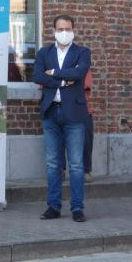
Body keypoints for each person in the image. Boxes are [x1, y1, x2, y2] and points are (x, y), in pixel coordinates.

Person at [33, 15, 91, 223]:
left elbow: (80, 73)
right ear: (54, 31)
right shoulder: (44, 52)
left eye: (67, 28)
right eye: (60, 29)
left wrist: (55, 73)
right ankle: (53, 206)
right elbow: (38, 76)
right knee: (52, 164)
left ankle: (77, 208)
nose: (64, 32)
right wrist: (63, 80)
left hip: (74, 114)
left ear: (73, 30)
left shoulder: (82, 52)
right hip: (51, 113)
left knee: (76, 164)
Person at [59, 69, 94, 182]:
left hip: (81, 108)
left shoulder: (82, 65)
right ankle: (60, 170)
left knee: (87, 139)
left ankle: (86, 171)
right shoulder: (52, 63)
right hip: (59, 107)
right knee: (58, 139)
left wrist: (60, 81)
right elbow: (45, 83)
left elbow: (84, 85)